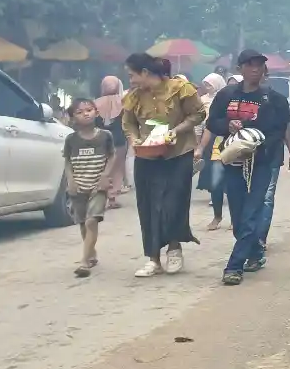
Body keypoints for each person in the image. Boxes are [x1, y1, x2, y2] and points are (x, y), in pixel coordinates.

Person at [206, 50, 290, 286]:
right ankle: (255, 253)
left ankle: (234, 266)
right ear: (240, 69)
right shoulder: (226, 95)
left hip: (263, 162)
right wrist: (229, 125)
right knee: (238, 215)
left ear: (264, 71)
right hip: (233, 162)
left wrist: (259, 140)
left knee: (251, 212)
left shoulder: (274, 99)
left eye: (259, 65)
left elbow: (282, 128)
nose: (255, 69)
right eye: (250, 65)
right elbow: (212, 122)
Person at [121, 53, 205, 278]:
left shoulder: (180, 88)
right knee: (148, 206)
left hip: (178, 153)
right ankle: (153, 258)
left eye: (132, 75)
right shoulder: (134, 96)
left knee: (173, 202)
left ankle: (174, 248)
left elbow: (198, 114)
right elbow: (128, 123)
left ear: (145, 73)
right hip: (146, 155)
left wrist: (175, 131)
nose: (130, 80)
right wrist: (134, 140)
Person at [63, 98, 115, 278]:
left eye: (89, 110)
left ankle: (84, 262)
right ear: (72, 118)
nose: (85, 113)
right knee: (83, 223)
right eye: (79, 111)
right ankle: (91, 254)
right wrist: (71, 181)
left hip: (97, 187)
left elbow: (111, 156)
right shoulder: (71, 140)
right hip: (78, 187)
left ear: (96, 112)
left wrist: (105, 176)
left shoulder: (105, 136)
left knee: (91, 221)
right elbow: (68, 162)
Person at [195, 73, 229, 231]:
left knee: (234, 186)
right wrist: (200, 147)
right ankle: (217, 216)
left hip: (236, 148)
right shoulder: (213, 109)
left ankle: (236, 218)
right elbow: (208, 128)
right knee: (216, 184)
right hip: (216, 147)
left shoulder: (236, 107)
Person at [93, 76, 130, 208]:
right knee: (118, 168)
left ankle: (100, 197)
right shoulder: (124, 102)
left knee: (102, 168)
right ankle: (112, 198)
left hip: (100, 140)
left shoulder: (95, 104)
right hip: (119, 140)